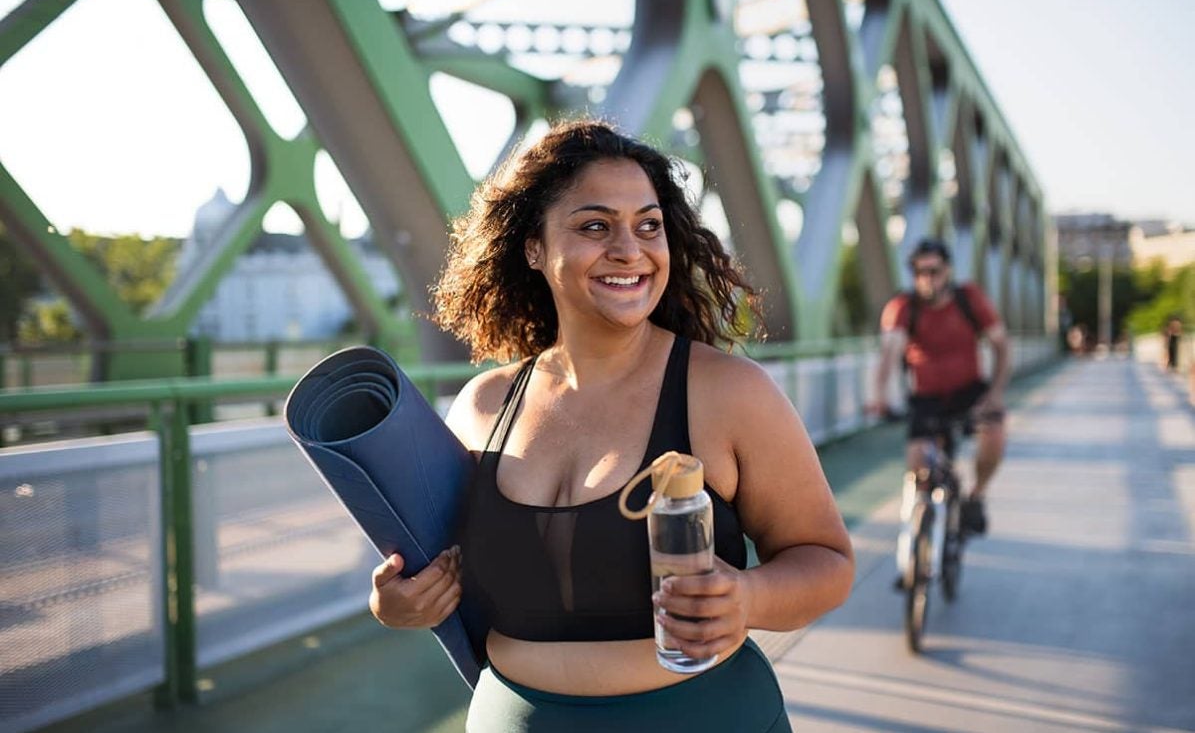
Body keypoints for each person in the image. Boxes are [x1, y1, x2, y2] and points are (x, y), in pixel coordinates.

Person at [368, 119, 854, 731]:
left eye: (648, 226)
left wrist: (749, 597)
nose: (630, 249)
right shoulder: (482, 406)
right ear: (534, 248)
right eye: (595, 226)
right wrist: (399, 603)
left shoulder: (729, 394)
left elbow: (828, 561)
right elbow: (443, 572)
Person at [868, 237, 1010, 537]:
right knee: (918, 468)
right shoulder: (903, 307)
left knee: (994, 436)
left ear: (948, 270)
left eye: (934, 271)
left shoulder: (969, 298)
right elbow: (889, 355)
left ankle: (977, 496)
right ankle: (917, 549)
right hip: (927, 397)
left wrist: (995, 394)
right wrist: (880, 397)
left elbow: (1001, 346)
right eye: (920, 273)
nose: (927, 280)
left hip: (970, 390)